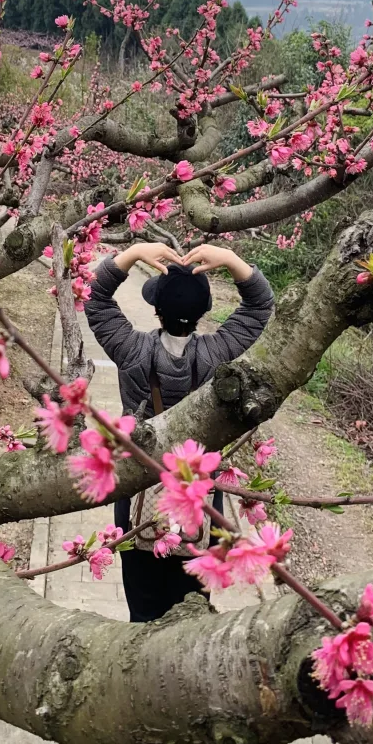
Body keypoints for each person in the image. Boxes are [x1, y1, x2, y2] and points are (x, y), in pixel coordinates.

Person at [86, 239, 275, 625]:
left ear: (156, 310)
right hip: (199, 496)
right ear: (205, 312)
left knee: (143, 609)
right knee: (190, 611)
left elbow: (95, 297)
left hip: (138, 490)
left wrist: (132, 253)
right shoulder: (218, 355)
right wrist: (230, 259)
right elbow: (259, 306)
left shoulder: (132, 351)